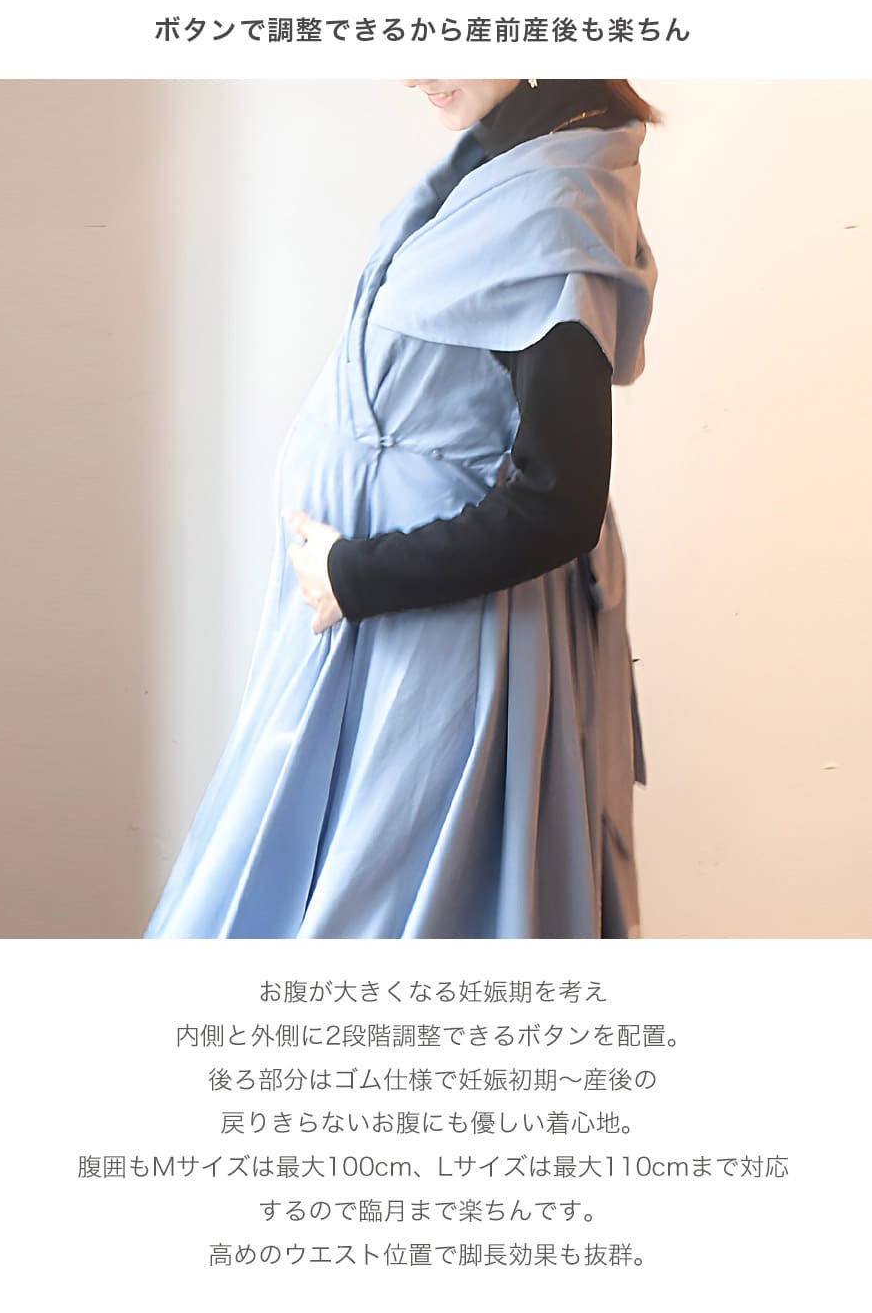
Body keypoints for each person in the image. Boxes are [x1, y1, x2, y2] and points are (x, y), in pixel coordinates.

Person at [143, 77, 659, 940]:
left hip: (440, 645)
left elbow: (559, 502)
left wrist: (354, 575)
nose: (413, 69)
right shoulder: (503, 159)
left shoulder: (556, 210)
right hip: (385, 631)